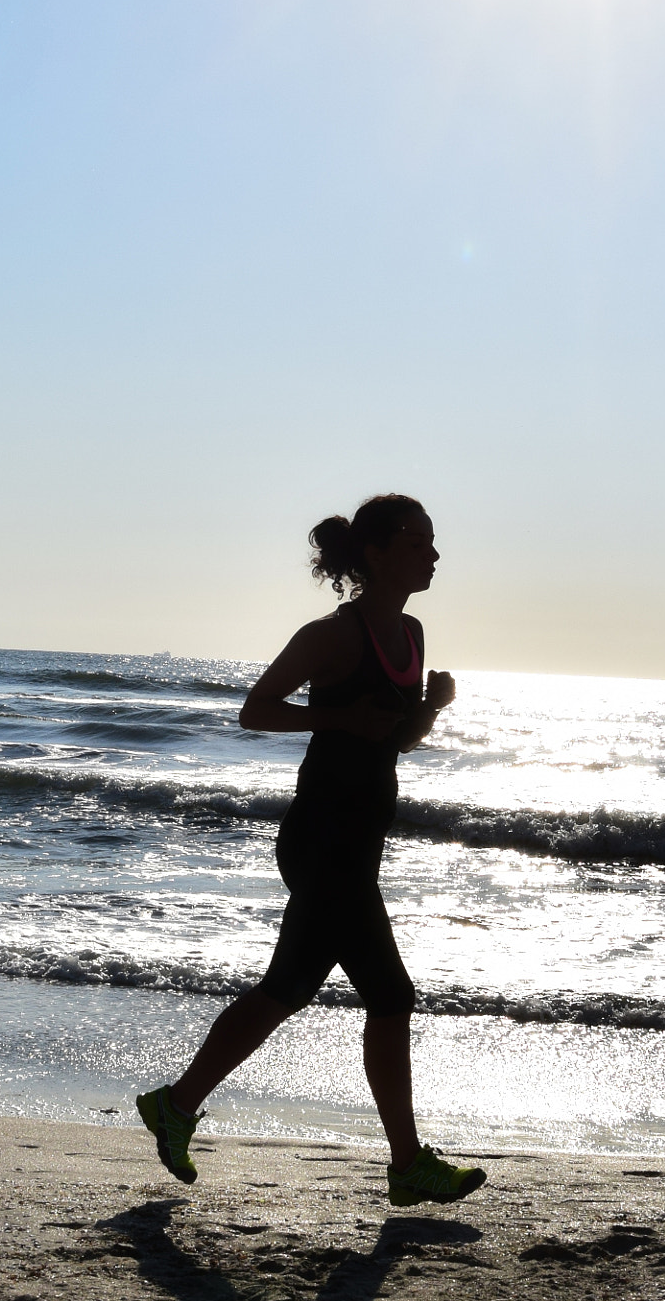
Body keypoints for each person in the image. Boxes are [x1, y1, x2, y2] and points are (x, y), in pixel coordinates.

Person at [136, 494, 485, 1207]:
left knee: (287, 990)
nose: (435, 554)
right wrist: (336, 714)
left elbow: (391, 739)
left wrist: (431, 709)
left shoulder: (412, 634)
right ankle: (407, 1162)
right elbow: (256, 708)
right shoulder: (333, 635)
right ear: (380, 553)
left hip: (358, 845)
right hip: (321, 840)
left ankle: (175, 1105)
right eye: (421, 541)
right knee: (389, 994)